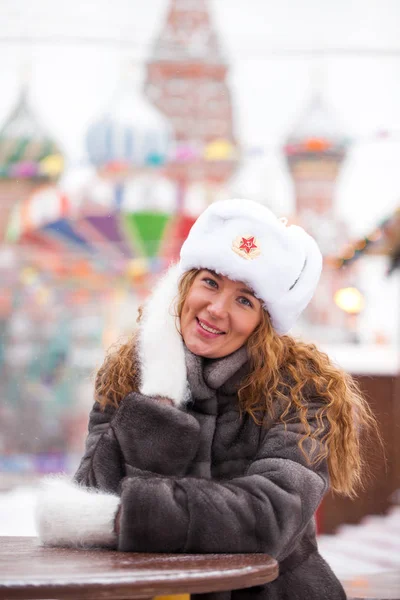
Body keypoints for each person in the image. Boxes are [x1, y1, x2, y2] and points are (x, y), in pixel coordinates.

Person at [36, 198, 378, 600]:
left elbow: (270, 517)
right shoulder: (129, 375)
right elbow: (91, 494)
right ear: (182, 286)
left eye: (244, 300)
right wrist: (159, 396)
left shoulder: (302, 391)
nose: (217, 310)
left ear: (264, 323)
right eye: (211, 283)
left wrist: (130, 518)